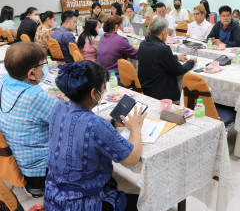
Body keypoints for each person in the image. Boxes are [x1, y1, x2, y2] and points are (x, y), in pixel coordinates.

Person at [44, 61, 144, 210]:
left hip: (54, 195)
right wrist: (135, 129)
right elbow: (132, 158)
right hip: (82, 203)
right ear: (93, 93)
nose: (104, 90)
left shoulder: (58, 107)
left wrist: (113, 123)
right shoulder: (95, 124)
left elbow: (79, 121)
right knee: (142, 202)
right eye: (103, 86)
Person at [0, 42, 58, 197]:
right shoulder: (35, 96)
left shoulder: (4, 81)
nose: (45, 68)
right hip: (39, 176)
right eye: (43, 64)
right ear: (31, 73)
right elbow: (71, 121)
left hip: (20, 165)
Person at [138, 17, 196, 101]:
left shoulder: (143, 44)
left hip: (146, 89)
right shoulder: (163, 48)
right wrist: (192, 61)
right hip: (161, 94)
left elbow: (156, 57)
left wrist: (176, 57)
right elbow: (179, 70)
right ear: (164, 33)